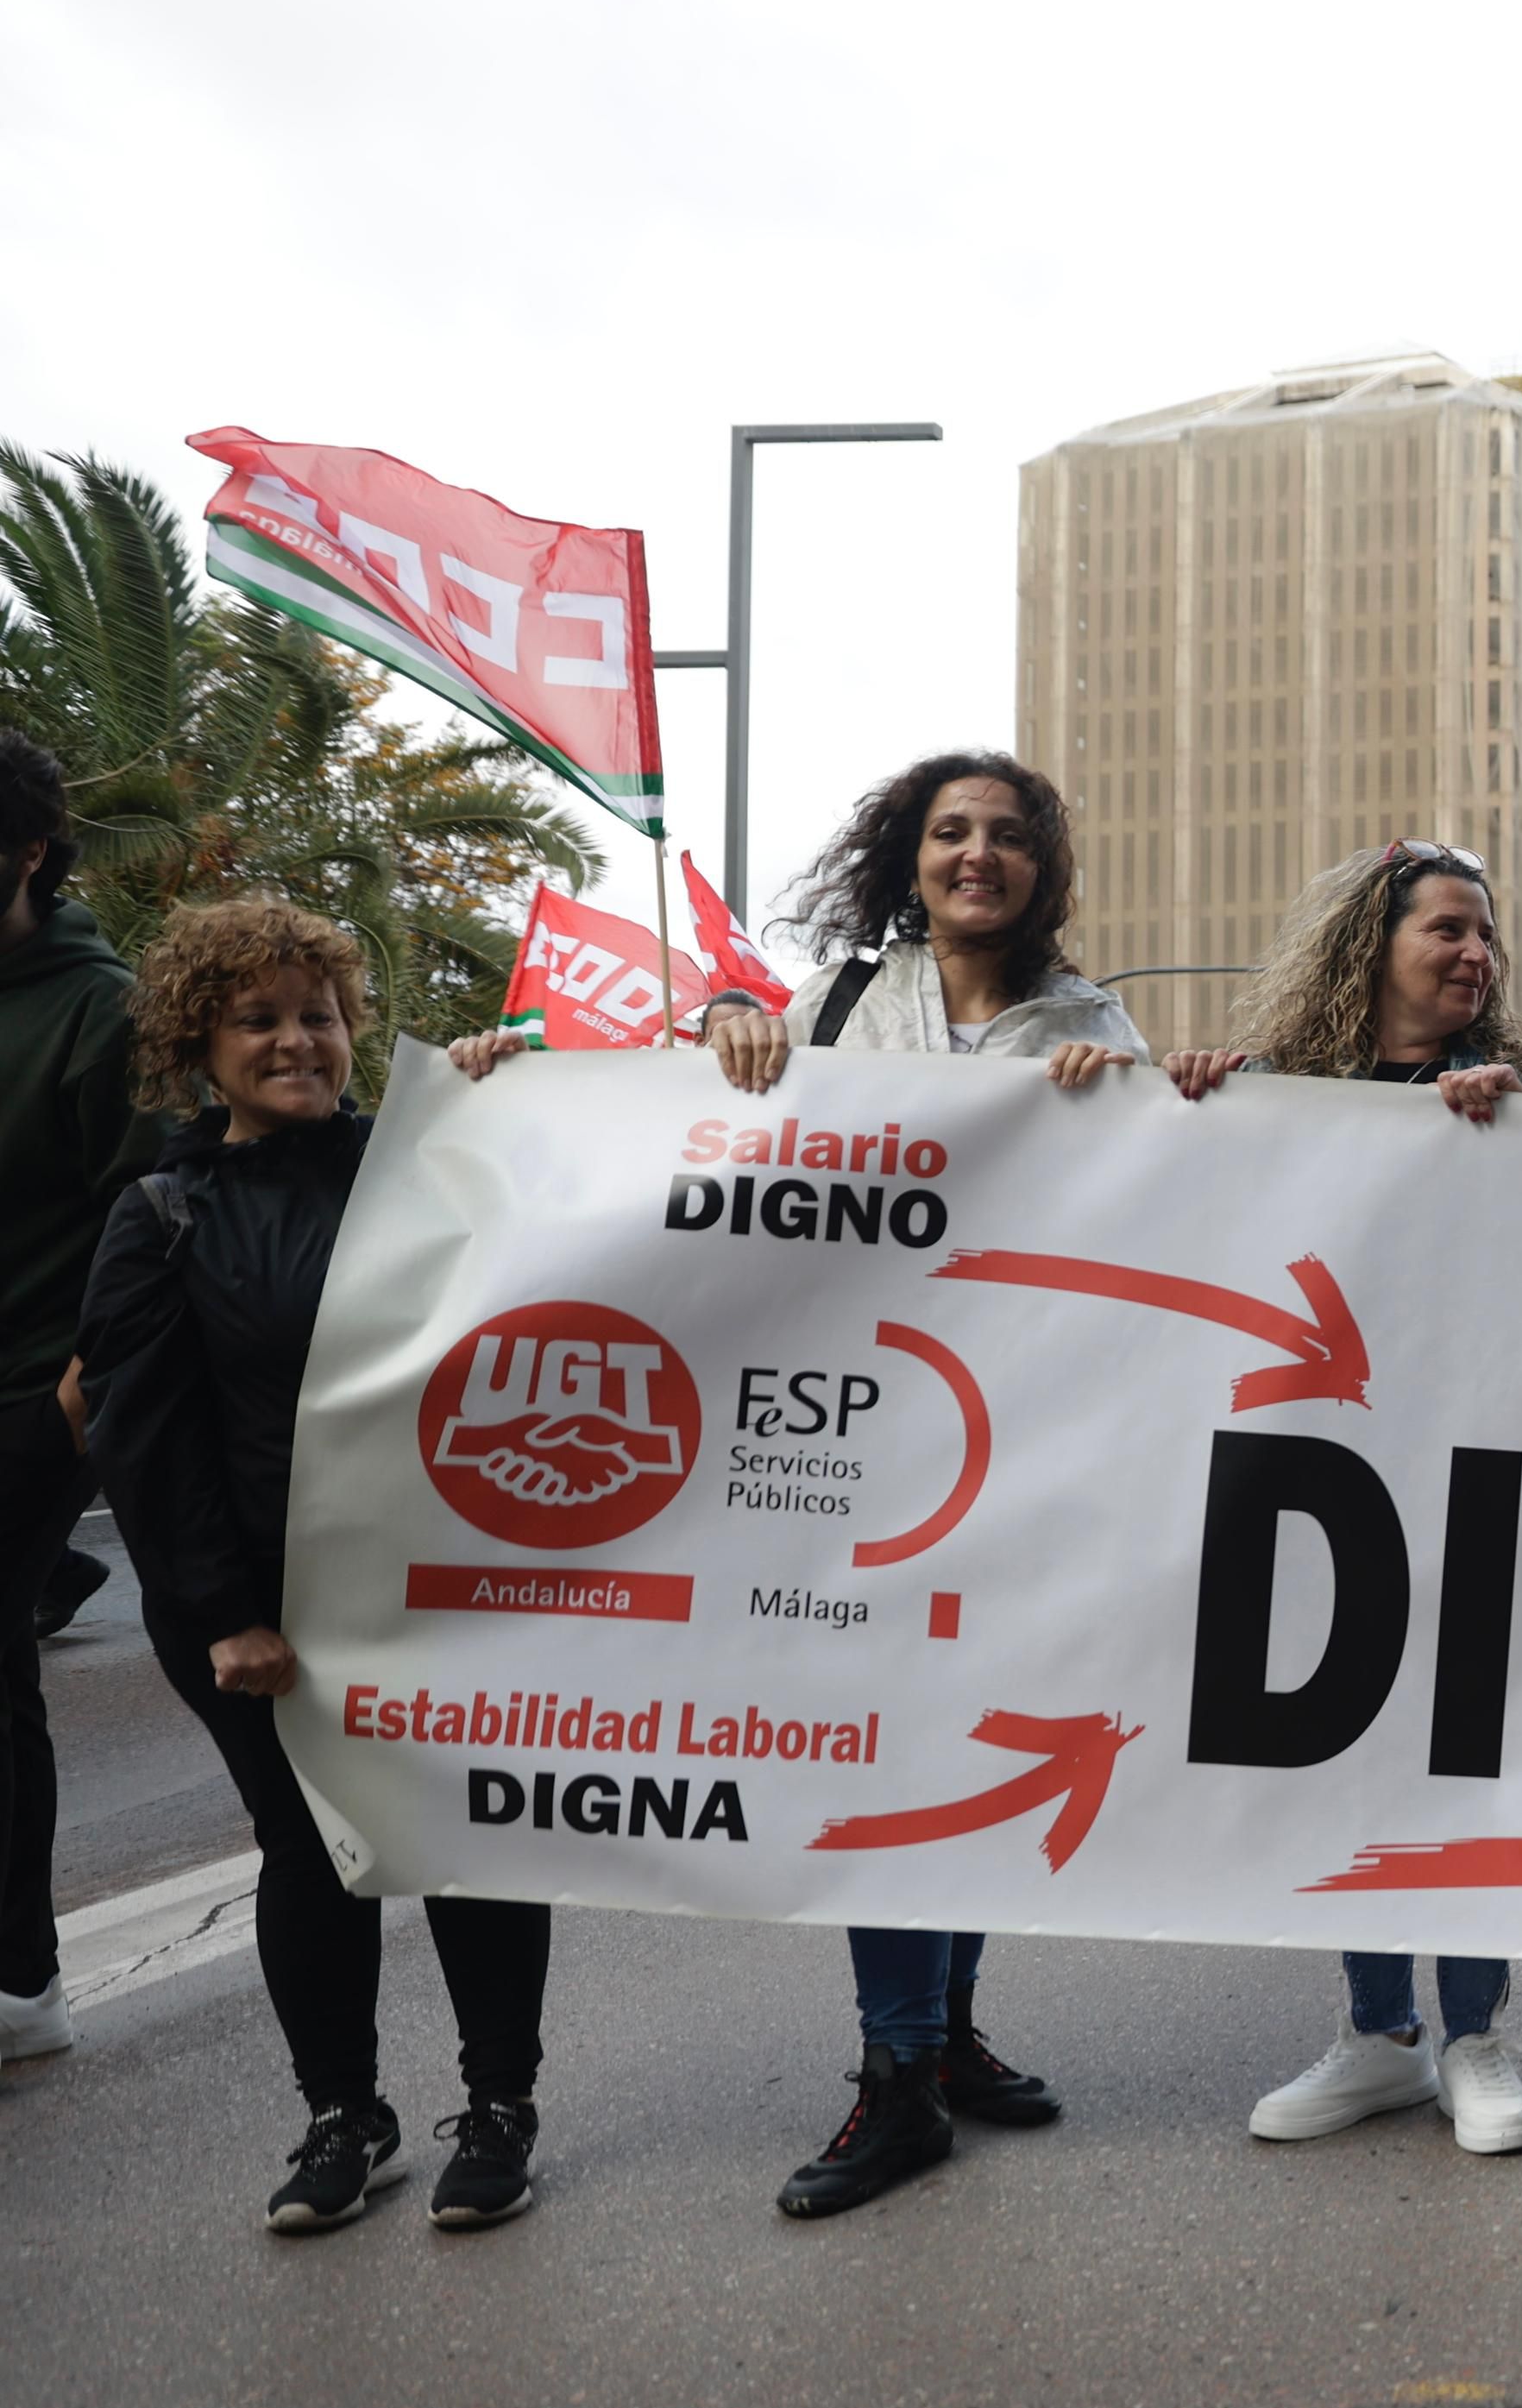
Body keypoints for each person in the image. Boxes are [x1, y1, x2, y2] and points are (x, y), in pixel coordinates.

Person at [477, 753, 1144, 2216]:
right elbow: (693, 1130)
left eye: (1010, 835)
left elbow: (1165, 1207)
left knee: (966, 1748)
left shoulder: (1094, 1024)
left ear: (1045, 867)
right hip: (855, 1438)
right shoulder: (834, 1008)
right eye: (951, 831)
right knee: (884, 1742)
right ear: (909, 854)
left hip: (1021, 1436)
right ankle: (896, 2072)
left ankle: (947, 2037)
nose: (979, 855)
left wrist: (1139, 1096)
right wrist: (687, 1039)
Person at [85, 902, 557, 2230]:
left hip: (443, 1589)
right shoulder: (163, 1215)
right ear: (199, 1041)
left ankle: (501, 2108)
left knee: (468, 1839)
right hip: (253, 1613)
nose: (298, 1041)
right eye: (260, 1018)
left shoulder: (432, 1158)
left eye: (320, 1015)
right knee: (305, 1849)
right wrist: (228, 1613)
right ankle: (344, 2118)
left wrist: (524, 1105)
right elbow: (144, 1435)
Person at [1167, 841, 1522, 2157]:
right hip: (1330, 1479)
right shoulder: (1281, 1097)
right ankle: (1379, 2034)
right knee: (1354, 1745)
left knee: (1466, 1752)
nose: (1474, 956)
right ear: (1371, 946)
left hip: (1487, 1466)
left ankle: (1477, 2038)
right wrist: (1192, 1103)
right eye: (1447, 929)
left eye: (1486, 937)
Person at [0, 729, 153, 2066]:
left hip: (29, 1396)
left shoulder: (97, 1005)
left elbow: (143, 1205)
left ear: (31, 851)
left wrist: (78, 1387)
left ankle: (20, 1979)